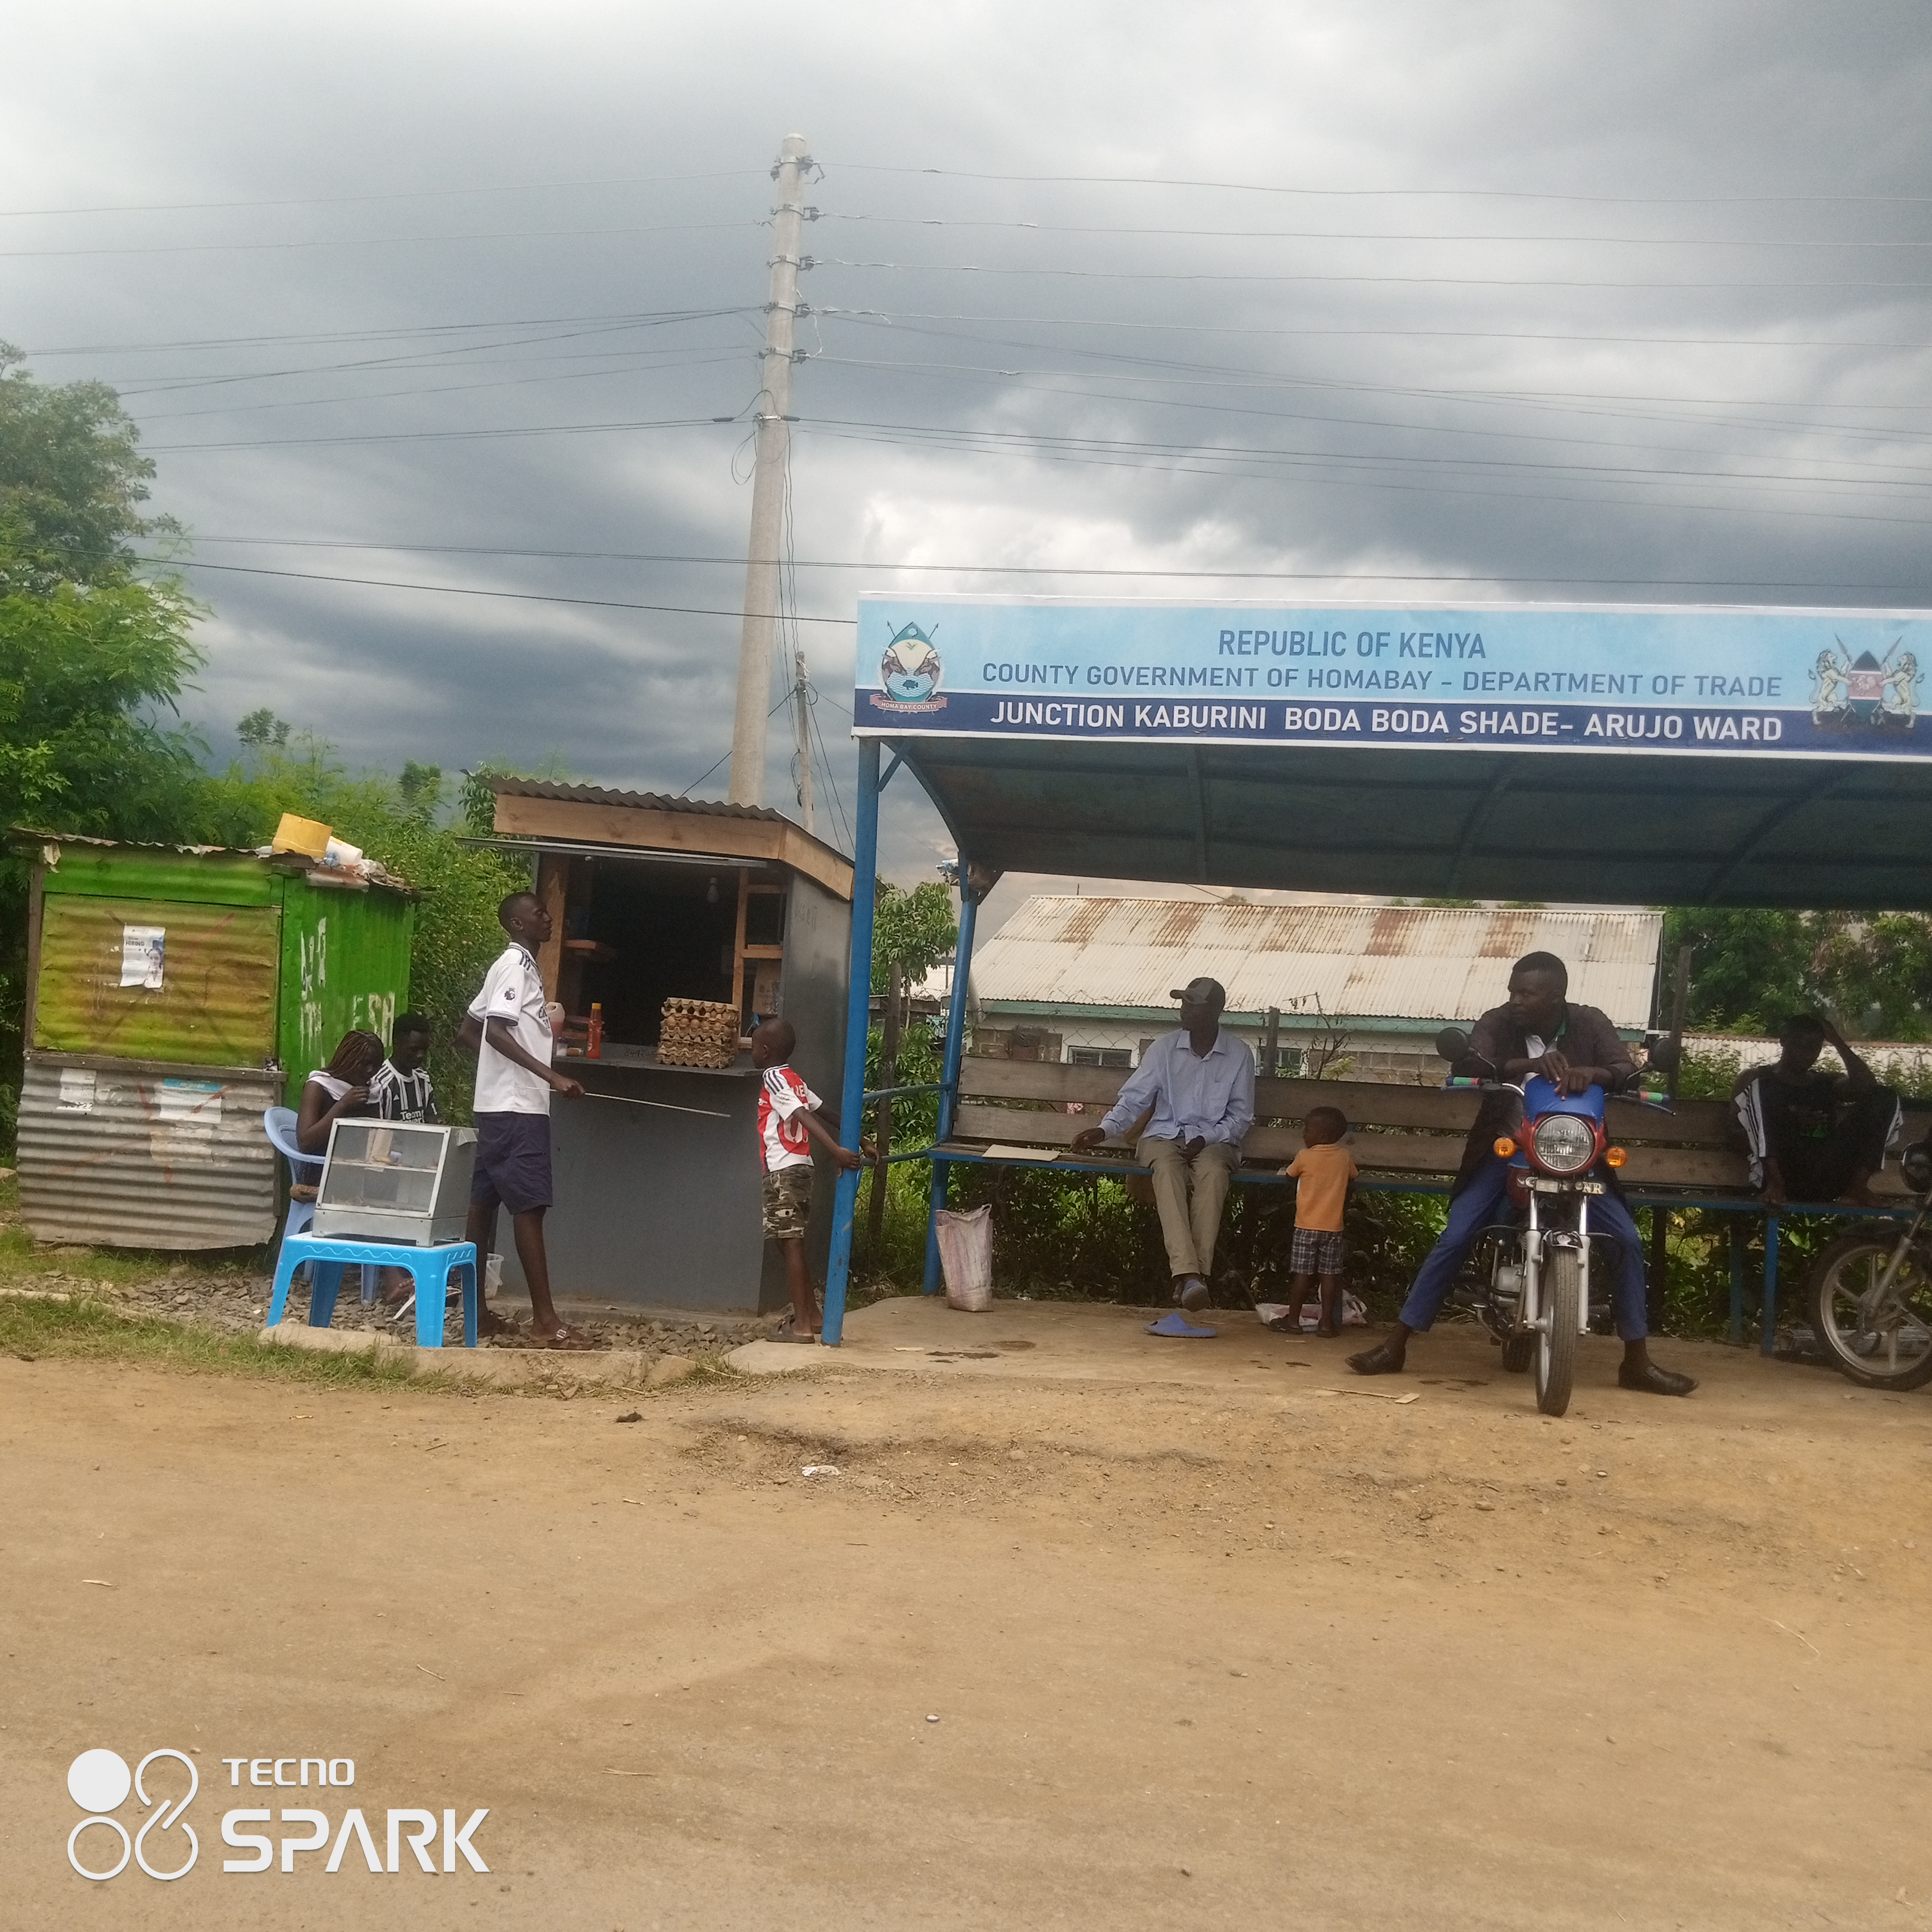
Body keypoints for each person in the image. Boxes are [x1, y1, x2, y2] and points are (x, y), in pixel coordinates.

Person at [1347, 950, 1697, 1396]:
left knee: (1627, 1239)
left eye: (1526, 993)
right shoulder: (1498, 1022)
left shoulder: (1590, 1022)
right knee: (1456, 1235)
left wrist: (1594, 1073)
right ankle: (1396, 1344)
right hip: (1507, 1151)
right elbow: (1470, 1064)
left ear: (1556, 997)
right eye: (1513, 991)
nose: (1515, 1000)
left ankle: (1637, 1361)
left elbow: (1626, 1070)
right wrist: (1527, 1066)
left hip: (1576, 1155)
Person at [1071, 977, 1255, 1311]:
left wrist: (1206, 1138)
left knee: (1214, 1174)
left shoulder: (1239, 1054)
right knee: (1167, 1171)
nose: (1184, 1011)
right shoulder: (1164, 1049)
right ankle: (1192, 1276)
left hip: (1215, 1140)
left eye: (1193, 1005)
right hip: (1163, 1135)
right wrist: (1104, 1130)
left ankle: (1189, 1278)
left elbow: (1240, 1118)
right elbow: (1134, 1100)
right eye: (1183, 1003)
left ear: (1216, 1010)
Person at [457, 891, 588, 1348]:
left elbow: (468, 1030)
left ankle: (476, 1314)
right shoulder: (514, 966)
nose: (547, 919)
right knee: (529, 1207)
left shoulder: (514, 966)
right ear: (517, 924)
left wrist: (502, 1071)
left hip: (500, 1106)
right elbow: (494, 1031)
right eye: (538, 914)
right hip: (517, 1110)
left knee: (482, 1207)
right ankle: (545, 1322)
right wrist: (551, 1076)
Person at [749, 1016, 867, 1342]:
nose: (752, 1052)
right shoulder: (793, 1079)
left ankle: (801, 1325)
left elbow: (802, 1114)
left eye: (755, 1047)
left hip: (783, 1170)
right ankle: (813, 1315)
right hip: (800, 1168)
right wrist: (861, 1139)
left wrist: (836, 1151)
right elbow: (824, 1111)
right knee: (785, 1241)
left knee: (790, 1243)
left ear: (766, 1051)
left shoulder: (773, 1077)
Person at [1732, 1014, 1901, 1207]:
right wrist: (1789, 1124)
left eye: (1814, 1047)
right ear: (1784, 1041)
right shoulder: (1756, 1079)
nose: (1806, 1053)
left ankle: (1857, 1187)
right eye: (1800, 1045)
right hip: (1784, 1173)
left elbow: (1867, 1088)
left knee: (1884, 1096)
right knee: (1760, 1086)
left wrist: (1837, 1041)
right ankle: (1775, 1184)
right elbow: (1735, 1133)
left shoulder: (1826, 1082)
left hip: (1827, 1174)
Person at [1275, 1106, 1357, 1337]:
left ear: (1322, 1136)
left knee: (1302, 1275)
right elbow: (1353, 1176)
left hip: (1306, 1227)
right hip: (1333, 1228)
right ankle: (1326, 1324)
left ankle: (1293, 1322)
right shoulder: (1345, 1157)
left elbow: (1290, 1175)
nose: (1304, 1134)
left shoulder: (1304, 1156)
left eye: (1307, 1129)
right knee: (1329, 1277)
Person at [295, 1029, 384, 1155]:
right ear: (347, 1058)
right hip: (322, 1163)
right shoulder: (319, 1086)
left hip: (362, 1164)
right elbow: (305, 1143)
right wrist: (342, 1105)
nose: (371, 1070)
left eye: (377, 1066)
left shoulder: (374, 1091)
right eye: (365, 1063)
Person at [368, 1012, 438, 1124]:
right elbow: (375, 1130)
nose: (421, 1055)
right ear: (396, 1044)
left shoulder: (423, 1080)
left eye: (424, 1050)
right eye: (414, 1050)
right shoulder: (380, 1083)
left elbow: (433, 1126)